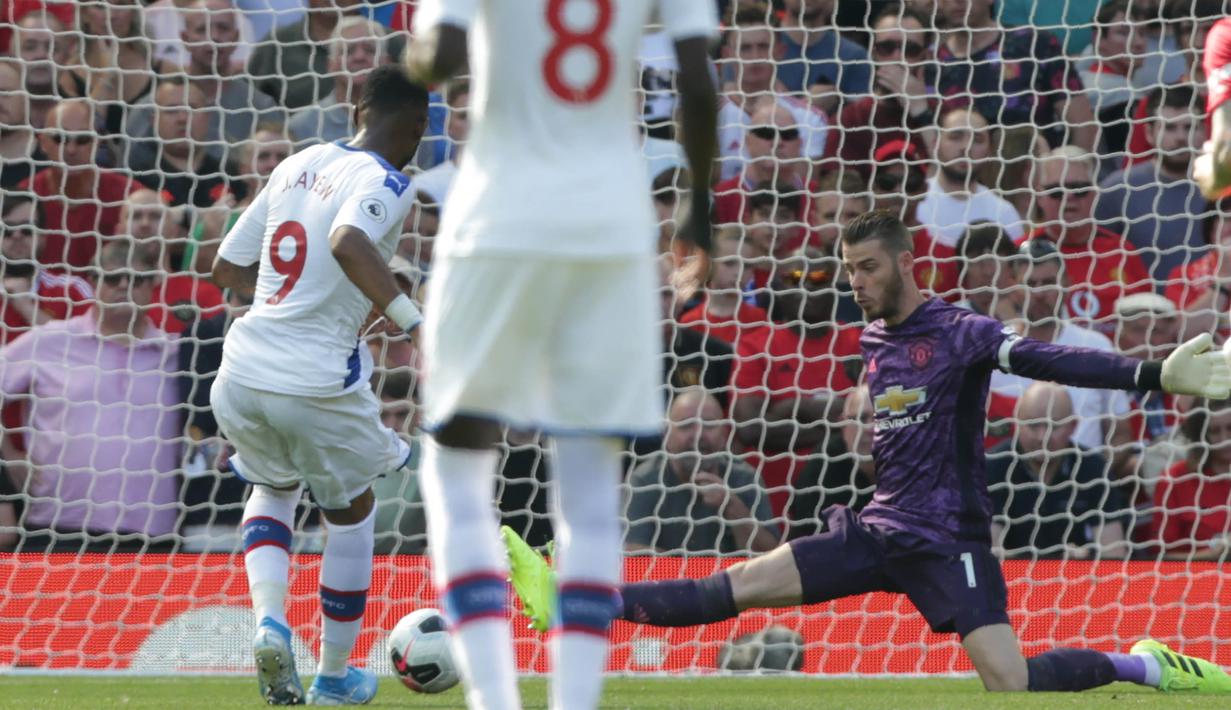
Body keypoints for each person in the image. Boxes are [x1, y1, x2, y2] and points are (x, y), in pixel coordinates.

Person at [506, 209, 1231, 695]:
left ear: (905, 263)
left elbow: (1044, 360)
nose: (854, 283)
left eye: (866, 268)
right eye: (848, 269)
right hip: (879, 530)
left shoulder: (959, 329)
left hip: (949, 541)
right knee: (729, 590)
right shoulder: (872, 340)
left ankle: (1142, 664)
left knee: (1009, 685)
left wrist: (1153, 373)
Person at [405, 0, 718, 707]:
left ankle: (494, 699)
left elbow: (439, 54)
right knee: (588, 489)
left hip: (497, 221)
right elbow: (697, 83)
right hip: (610, 231)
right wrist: (698, 204)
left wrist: (418, 46)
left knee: (456, 465)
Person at [208, 65, 429, 705]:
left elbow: (225, 265)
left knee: (271, 487)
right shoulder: (388, 179)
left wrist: (287, 304)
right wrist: (416, 324)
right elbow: (347, 241)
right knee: (352, 513)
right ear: (417, 126)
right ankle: (334, 676)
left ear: (357, 108)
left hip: (244, 366)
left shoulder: (297, 161)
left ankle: (269, 623)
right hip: (314, 379)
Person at [0, 242, 182, 550]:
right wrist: (10, 460)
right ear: (93, 283)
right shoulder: (51, 340)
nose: (124, 286)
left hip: (153, 534)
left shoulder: (177, 352)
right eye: (112, 278)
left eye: (136, 279)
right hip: (57, 527)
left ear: (153, 285)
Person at [624, 388, 778, 555]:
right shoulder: (645, 481)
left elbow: (769, 559)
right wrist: (698, 575)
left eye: (709, 425)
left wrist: (731, 505)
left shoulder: (744, 478)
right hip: (670, 581)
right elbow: (633, 558)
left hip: (731, 581)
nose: (698, 435)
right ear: (666, 435)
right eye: (686, 426)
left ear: (724, 435)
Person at [988, 382, 1131, 560]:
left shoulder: (1093, 468)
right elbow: (988, 552)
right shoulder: (994, 466)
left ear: (1073, 426)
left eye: (1053, 427)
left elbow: (1114, 553)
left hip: (1076, 580)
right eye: (1033, 426)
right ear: (1017, 421)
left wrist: (1085, 559)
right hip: (1010, 580)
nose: (1042, 437)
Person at [1151, 398, 1231, 560]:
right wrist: (1212, 555)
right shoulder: (1174, 479)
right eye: (1215, 431)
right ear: (1200, 434)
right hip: (1195, 579)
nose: (1224, 439)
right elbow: (1160, 557)